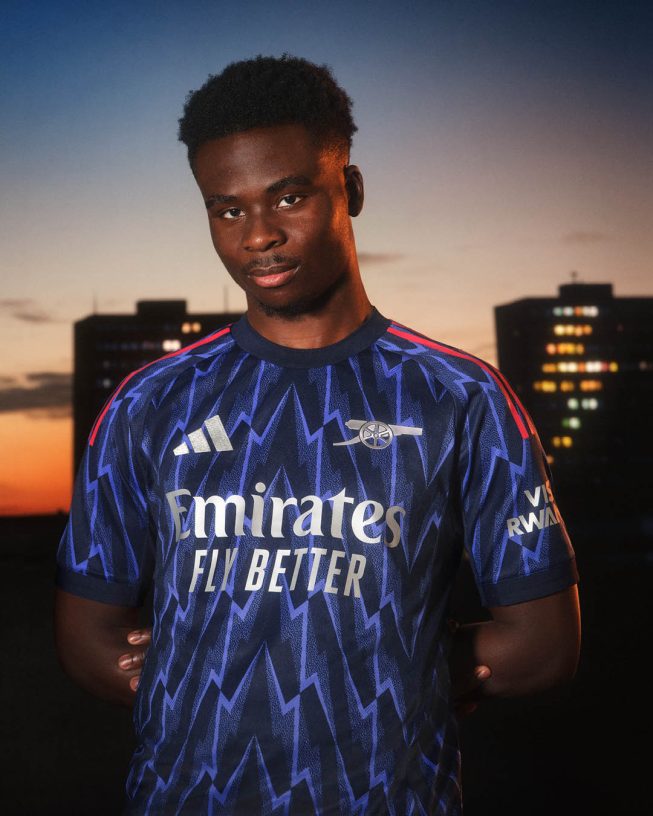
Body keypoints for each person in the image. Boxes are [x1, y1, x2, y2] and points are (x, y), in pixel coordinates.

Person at [55, 54, 581, 815]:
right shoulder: (151, 401)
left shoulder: (461, 396)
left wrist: (397, 667)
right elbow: (87, 638)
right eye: (226, 210)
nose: (259, 235)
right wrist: (195, 679)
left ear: (351, 189)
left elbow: (542, 647)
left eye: (288, 197)